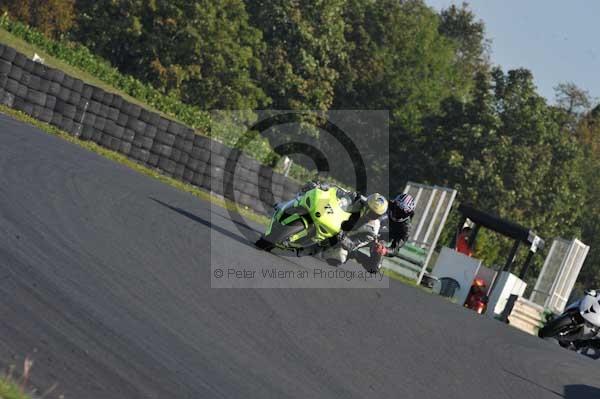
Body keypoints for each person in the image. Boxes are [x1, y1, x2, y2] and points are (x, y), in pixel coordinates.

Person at [351, 193, 415, 273]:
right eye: (397, 207)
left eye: (403, 212)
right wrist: (359, 197)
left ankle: (353, 253)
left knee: (374, 268)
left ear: (408, 213)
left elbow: (395, 249)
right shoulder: (386, 204)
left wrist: (384, 250)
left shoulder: (406, 228)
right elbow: (369, 201)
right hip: (365, 226)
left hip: (379, 241)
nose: (398, 212)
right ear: (394, 203)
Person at [322, 192, 388, 266]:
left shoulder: (372, 232)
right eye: (369, 210)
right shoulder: (357, 198)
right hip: (331, 217)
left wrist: (342, 238)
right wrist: (325, 188)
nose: (370, 215)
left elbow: (353, 245)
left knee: (340, 255)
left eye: (375, 215)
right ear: (367, 203)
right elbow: (337, 192)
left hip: (339, 237)